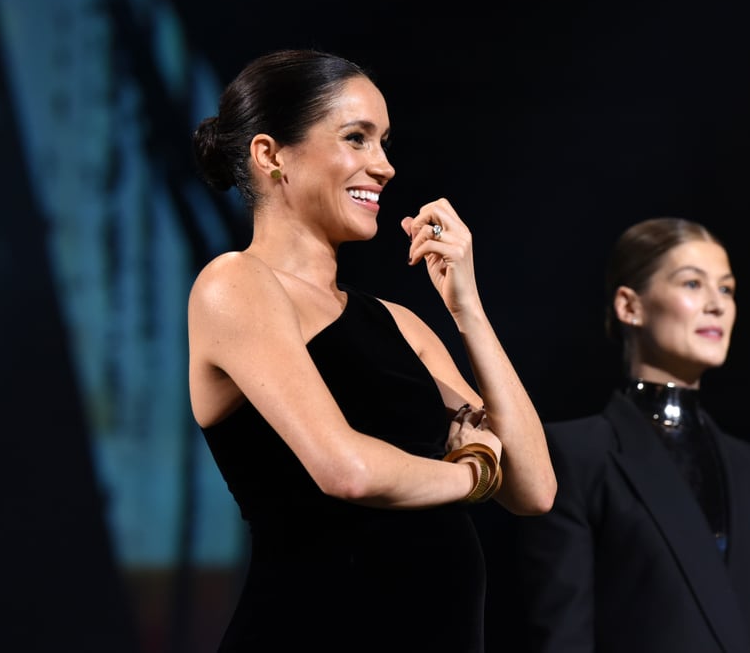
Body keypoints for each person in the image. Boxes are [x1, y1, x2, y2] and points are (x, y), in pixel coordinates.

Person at [187, 48, 556, 652]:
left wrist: (468, 310)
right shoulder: (234, 283)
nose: (382, 167)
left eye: (384, 142)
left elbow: (535, 487)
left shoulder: (401, 324)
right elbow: (347, 470)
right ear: (270, 154)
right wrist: (472, 472)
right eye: (356, 139)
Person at [515, 217, 750, 652]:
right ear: (630, 306)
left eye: (726, 289)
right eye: (692, 284)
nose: (717, 305)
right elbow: (560, 635)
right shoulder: (576, 456)